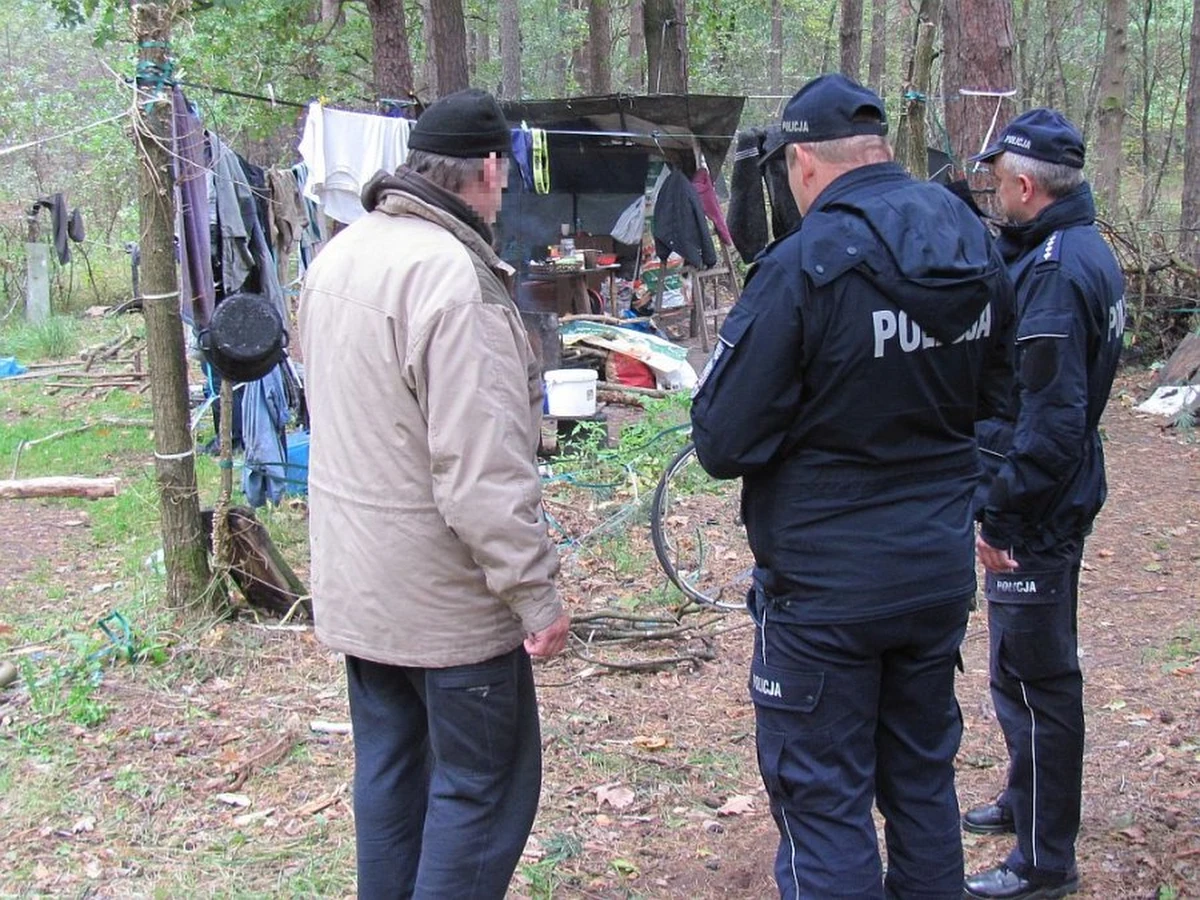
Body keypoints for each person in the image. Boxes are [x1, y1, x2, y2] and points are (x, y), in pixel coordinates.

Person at [690, 73, 1015, 899]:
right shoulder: (973, 242)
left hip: (828, 590)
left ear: (801, 162)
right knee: (920, 784)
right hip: (932, 572)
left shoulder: (804, 266)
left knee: (825, 803)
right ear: (880, 151)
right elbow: (1002, 400)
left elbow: (722, 439)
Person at [298, 88, 570, 900]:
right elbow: (482, 470)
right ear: (488, 169)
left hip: (361, 588)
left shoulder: (341, 253)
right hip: (447, 605)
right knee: (481, 791)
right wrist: (535, 593)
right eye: (505, 171)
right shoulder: (455, 279)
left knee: (392, 779)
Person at [963, 108, 1125, 900]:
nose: (993, 193)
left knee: (1036, 679)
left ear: (1027, 185)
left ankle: (1043, 861)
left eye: (998, 182)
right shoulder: (1067, 248)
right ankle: (1025, 803)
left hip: (1040, 505)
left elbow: (1053, 420)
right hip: (1051, 492)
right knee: (1016, 667)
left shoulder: (1059, 272)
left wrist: (1003, 516)